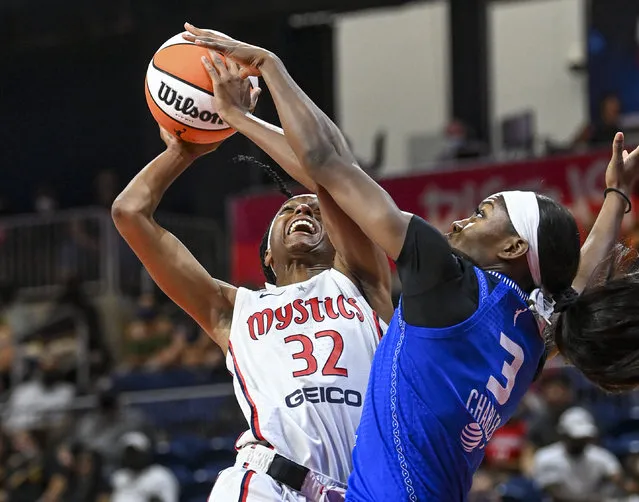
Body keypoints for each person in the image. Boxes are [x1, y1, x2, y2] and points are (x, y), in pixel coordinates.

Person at [184, 25, 639, 500]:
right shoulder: (529, 332)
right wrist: (615, 198)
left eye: (483, 214)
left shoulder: (450, 283)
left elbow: (326, 161)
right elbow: (579, 280)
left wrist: (268, 71)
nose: (462, 222)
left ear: (513, 249)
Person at [112, 57, 392, 501]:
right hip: (267, 483)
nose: (302, 209)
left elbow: (330, 175)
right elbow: (129, 213)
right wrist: (184, 150)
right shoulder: (232, 309)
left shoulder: (362, 279)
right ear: (268, 253)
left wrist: (239, 120)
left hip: (360, 491)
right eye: (289, 210)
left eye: (314, 210)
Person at [532, 407, 622, 501]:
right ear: (564, 435)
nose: (580, 442)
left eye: (583, 438)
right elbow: (551, 492)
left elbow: (616, 476)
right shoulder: (545, 457)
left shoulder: (601, 456)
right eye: (576, 439)